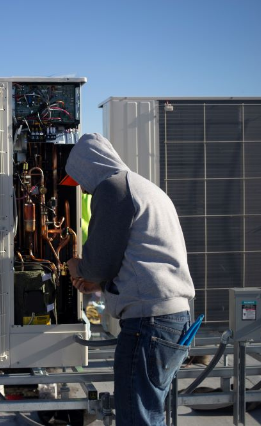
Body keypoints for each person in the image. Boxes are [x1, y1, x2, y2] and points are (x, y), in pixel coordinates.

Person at [64, 133, 195, 426]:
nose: (83, 190)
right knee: (149, 415)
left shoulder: (113, 189)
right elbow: (142, 256)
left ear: (89, 166)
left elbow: (98, 264)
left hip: (148, 324)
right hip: (175, 318)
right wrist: (103, 285)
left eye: (80, 180)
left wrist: (78, 268)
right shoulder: (144, 187)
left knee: (137, 419)